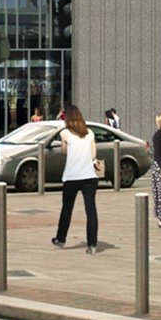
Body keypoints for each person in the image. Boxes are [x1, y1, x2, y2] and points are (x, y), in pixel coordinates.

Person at [51, 105, 100, 254]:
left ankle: (61, 238)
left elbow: (64, 151)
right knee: (90, 209)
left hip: (71, 177)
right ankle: (92, 243)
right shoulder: (89, 133)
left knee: (67, 208)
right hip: (89, 176)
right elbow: (93, 155)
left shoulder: (65, 133)